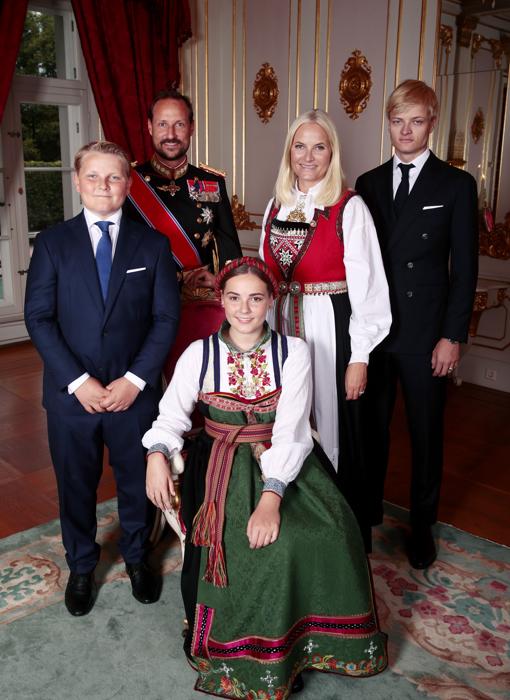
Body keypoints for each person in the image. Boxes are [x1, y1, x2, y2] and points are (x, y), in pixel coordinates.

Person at [142, 257, 387, 699]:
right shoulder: (199, 353)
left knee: (330, 530)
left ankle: (307, 641)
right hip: (217, 462)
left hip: (281, 459)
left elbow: (292, 430)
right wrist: (156, 455)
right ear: (222, 300)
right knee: (248, 545)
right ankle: (250, 648)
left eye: (256, 298)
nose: (244, 309)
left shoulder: (292, 351)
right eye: (234, 298)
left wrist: (271, 499)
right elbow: (170, 417)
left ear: (271, 301)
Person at [24, 141, 180, 616]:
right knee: (76, 483)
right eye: (93, 177)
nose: (103, 186)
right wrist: (77, 381)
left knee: (137, 481)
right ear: (77, 181)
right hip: (73, 395)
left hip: (134, 393)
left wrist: (135, 379)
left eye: (113, 177)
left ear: (128, 184)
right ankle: (81, 565)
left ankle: (137, 558)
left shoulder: (152, 245)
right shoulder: (52, 243)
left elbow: (165, 320)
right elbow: (38, 317)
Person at [355, 80, 478, 569]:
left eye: (416, 121)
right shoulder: (367, 183)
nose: (405, 130)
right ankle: (365, 516)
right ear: (388, 123)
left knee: (426, 433)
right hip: (374, 332)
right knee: (370, 431)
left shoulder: (455, 185)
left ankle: (422, 525)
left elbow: (464, 269)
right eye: (397, 120)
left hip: (427, 333)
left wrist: (453, 336)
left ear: (432, 122)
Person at [259, 109, 391, 549]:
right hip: (282, 323)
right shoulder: (275, 204)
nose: (308, 156)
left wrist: (359, 357)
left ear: (331, 152)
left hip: (331, 326)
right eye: (300, 146)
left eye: (319, 146)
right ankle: (293, 521)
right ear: (289, 152)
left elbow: (369, 288)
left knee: (332, 428)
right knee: (287, 422)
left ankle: (339, 535)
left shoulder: (348, 206)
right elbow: (264, 276)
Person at [124, 88, 242, 379]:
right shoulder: (129, 183)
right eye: (162, 124)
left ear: (191, 127)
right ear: (150, 127)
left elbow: (230, 249)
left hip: (201, 304)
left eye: (179, 124)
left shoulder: (211, 182)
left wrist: (219, 280)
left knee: (207, 382)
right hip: (147, 305)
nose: (171, 133)